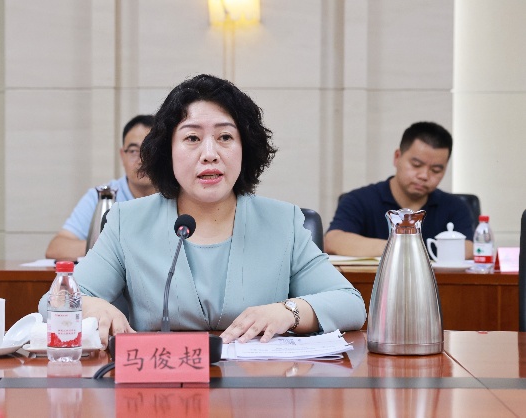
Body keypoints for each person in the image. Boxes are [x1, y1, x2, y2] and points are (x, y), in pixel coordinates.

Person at [40, 74, 366, 346]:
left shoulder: (283, 223)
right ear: (168, 151)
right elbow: (53, 302)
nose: (210, 153)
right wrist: (92, 306)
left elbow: (350, 303)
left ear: (245, 148)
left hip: (258, 387)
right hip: (160, 388)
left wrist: (289, 312)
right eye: (192, 138)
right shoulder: (128, 221)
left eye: (224, 137)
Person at [324, 121, 474, 258]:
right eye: (416, 165)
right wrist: (401, 248)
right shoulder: (359, 200)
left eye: (435, 170)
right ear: (397, 157)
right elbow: (333, 241)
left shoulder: (455, 207)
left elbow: (469, 249)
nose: (424, 175)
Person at [45, 115, 156, 261]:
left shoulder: (179, 194)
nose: (141, 160)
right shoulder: (102, 196)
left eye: (149, 150)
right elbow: (57, 248)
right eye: (133, 151)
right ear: (122, 156)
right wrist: (114, 246)